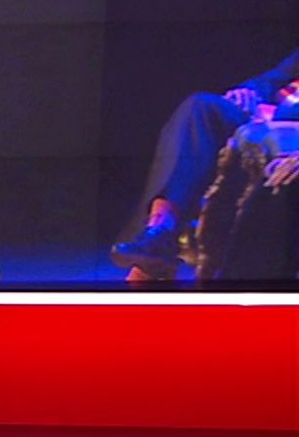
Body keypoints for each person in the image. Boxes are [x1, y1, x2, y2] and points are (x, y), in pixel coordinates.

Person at [111, 51, 299, 279]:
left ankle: (153, 260)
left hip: (287, 131)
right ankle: (160, 231)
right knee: (201, 108)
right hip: (267, 120)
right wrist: (248, 93)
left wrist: (279, 114)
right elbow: (272, 80)